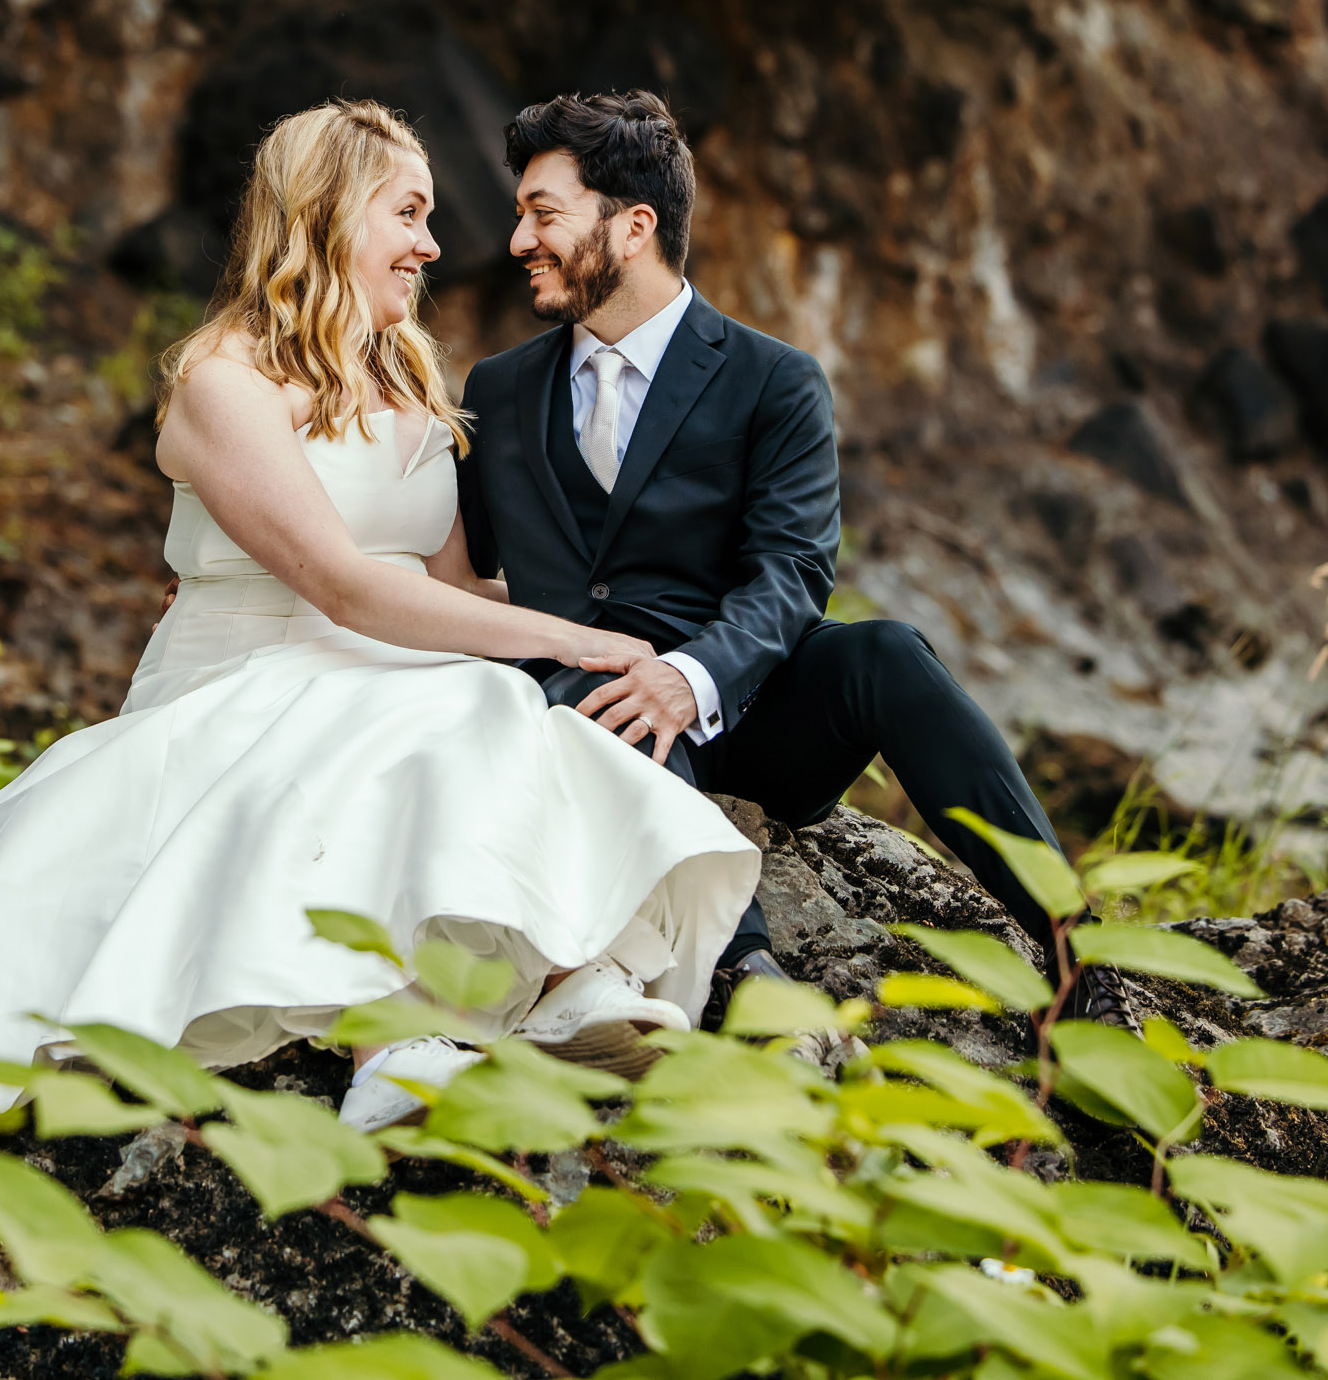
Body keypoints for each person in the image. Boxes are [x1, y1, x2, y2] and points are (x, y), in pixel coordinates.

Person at [0, 101, 759, 1135]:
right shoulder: (220, 383)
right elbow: (342, 584)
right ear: (324, 214)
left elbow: (447, 592)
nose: (433, 244)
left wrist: (643, 627)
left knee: (485, 699)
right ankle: (399, 1039)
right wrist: (569, 635)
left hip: (389, 672)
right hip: (245, 676)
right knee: (458, 699)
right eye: (407, 212)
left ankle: (566, 981)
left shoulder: (409, 376)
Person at [457, 90, 1087, 1002]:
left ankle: (1073, 951)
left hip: (743, 713)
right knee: (605, 696)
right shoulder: (499, 388)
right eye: (521, 216)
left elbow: (793, 570)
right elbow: (459, 565)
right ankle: (740, 970)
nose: (518, 241)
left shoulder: (774, 380)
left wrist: (692, 675)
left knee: (887, 652)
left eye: (542, 214)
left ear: (633, 227)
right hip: (585, 716)